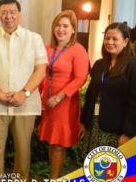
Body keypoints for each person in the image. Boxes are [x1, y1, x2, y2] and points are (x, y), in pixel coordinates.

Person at [0, 0, 47, 181]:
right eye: (4, 12)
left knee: (23, 150)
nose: (8, 16)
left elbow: (41, 69)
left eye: (12, 12)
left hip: (25, 104)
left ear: (19, 14)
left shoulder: (34, 39)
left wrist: (24, 93)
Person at [37, 10, 89, 179]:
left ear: (73, 29)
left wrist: (59, 97)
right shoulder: (47, 48)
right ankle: (55, 175)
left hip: (64, 102)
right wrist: (38, 95)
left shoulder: (78, 50)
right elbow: (41, 74)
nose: (61, 29)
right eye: (58, 26)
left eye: (65, 26)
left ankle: (54, 178)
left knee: (59, 144)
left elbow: (81, 78)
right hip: (47, 101)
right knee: (51, 142)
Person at [80, 22, 136, 156]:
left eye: (115, 39)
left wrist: (128, 133)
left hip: (116, 129)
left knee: (110, 168)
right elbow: (90, 94)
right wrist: (83, 121)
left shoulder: (132, 65)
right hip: (94, 124)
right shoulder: (100, 64)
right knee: (93, 164)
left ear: (125, 41)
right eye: (107, 38)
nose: (109, 42)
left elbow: (134, 102)